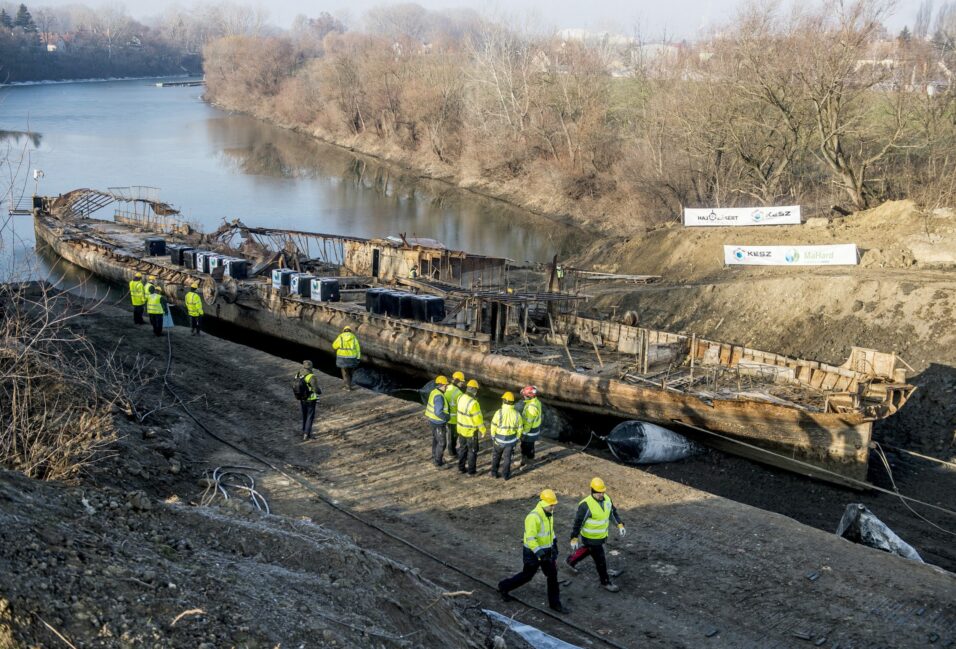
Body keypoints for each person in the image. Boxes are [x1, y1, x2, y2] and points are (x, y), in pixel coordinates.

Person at [498, 489, 569, 614]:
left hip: (546, 551)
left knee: (552, 576)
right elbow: (531, 539)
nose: (553, 507)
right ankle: (504, 586)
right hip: (533, 552)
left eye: (554, 504)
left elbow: (549, 531)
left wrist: (554, 543)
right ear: (542, 502)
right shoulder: (533, 517)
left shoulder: (549, 514)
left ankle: (555, 604)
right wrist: (540, 554)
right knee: (527, 575)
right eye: (551, 504)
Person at [565, 477, 626, 592]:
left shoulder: (607, 499)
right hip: (590, 537)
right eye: (599, 493)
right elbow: (578, 523)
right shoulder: (585, 505)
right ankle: (606, 582)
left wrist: (620, 525)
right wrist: (574, 538)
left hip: (601, 536)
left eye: (603, 492)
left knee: (588, 550)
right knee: (600, 560)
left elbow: (612, 514)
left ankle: (571, 560)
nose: (601, 495)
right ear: (592, 491)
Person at [455, 379, 486, 475]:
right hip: (470, 431)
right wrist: (483, 430)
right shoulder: (473, 403)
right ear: (475, 390)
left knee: (462, 449)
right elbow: (478, 420)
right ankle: (471, 472)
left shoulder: (460, 397)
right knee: (472, 451)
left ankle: (461, 468)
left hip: (461, 429)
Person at [489, 391, 522, 480]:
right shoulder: (517, 414)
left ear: (504, 401)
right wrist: (517, 437)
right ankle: (505, 475)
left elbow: (493, 425)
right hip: (510, 441)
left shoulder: (498, 412)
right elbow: (520, 428)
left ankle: (494, 473)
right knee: (507, 459)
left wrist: (493, 435)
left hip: (499, 440)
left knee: (496, 456)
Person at [425, 375, 451, 467]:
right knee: (442, 443)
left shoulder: (434, 392)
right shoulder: (439, 396)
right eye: (446, 385)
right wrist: (446, 418)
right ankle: (438, 462)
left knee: (436, 439)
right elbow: (438, 412)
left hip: (432, 421)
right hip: (438, 422)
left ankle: (434, 456)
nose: (447, 387)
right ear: (442, 385)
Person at [295, 360, 322, 441]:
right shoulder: (311, 376)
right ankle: (307, 434)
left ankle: (304, 430)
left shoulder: (298, 374)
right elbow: (316, 389)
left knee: (304, 415)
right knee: (310, 417)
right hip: (311, 399)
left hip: (302, 398)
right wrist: (320, 392)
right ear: (311, 367)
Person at [518, 385, 542, 466]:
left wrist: (524, 433)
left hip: (529, 431)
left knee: (525, 447)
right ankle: (530, 459)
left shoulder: (531, 407)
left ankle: (525, 462)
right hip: (535, 429)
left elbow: (528, 423)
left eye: (525, 396)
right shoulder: (536, 402)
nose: (524, 397)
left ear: (529, 396)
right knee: (531, 446)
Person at [332, 325, 361, 390]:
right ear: (350, 331)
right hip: (352, 358)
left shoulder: (340, 337)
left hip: (342, 358)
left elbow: (334, 346)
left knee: (345, 372)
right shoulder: (354, 338)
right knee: (350, 372)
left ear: (344, 331)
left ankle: (347, 387)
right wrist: (358, 358)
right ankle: (349, 384)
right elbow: (358, 349)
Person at [444, 371, 465, 460]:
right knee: (453, 436)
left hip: (446, 416)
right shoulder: (458, 393)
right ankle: (452, 452)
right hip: (454, 419)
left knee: (449, 435)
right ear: (457, 381)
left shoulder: (447, 388)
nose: (463, 383)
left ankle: (451, 450)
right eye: (462, 382)